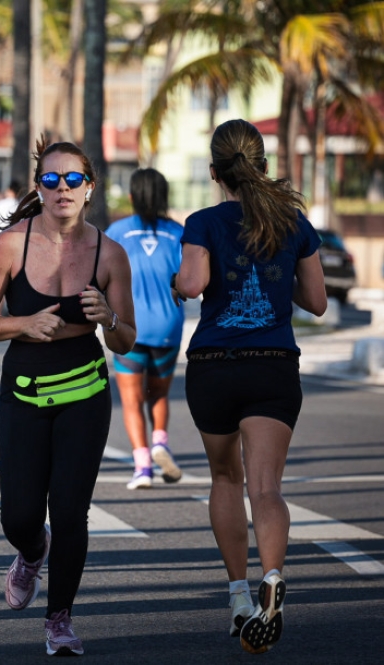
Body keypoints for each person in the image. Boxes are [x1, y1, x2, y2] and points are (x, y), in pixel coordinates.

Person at [0, 137, 135, 656]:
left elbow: (126, 340)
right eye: (51, 179)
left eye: (73, 179)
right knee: (18, 516)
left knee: (70, 511)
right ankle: (31, 551)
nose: (63, 189)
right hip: (25, 390)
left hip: (85, 391)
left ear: (90, 188)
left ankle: (59, 619)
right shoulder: (10, 245)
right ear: (38, 188)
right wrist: (23, 323)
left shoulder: (110, 253)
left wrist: (109, 318)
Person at [172, 119, 326, 655]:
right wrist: (280, 278)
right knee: (266, 487)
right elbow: (317, 301)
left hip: (216, 365)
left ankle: (239, 595)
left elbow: (194, 283)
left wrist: (178, 283)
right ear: (262, 165)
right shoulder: (293, 221)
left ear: (215, 172)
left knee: (225, 477)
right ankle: (273, 576)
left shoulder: (203, 221)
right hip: (273, 366)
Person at [105, 168, 185, 489]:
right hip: (168, 325)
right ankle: (160, 442)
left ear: (132, 197)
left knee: (131, 399)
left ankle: (142, 467)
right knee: (159, 394)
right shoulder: (179, 234)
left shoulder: (117, 232)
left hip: (129, 326)